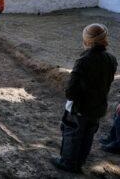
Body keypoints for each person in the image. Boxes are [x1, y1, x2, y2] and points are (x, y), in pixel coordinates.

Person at [51, 23, 117, 173]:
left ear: (87, 40)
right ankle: (80, 162)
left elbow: (71, 91)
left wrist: (73, 97)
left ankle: (68, 163)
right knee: (88, 135)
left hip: (81, 107)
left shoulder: (83, 60)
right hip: (99, 106)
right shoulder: (111, 59)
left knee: (72, 133)